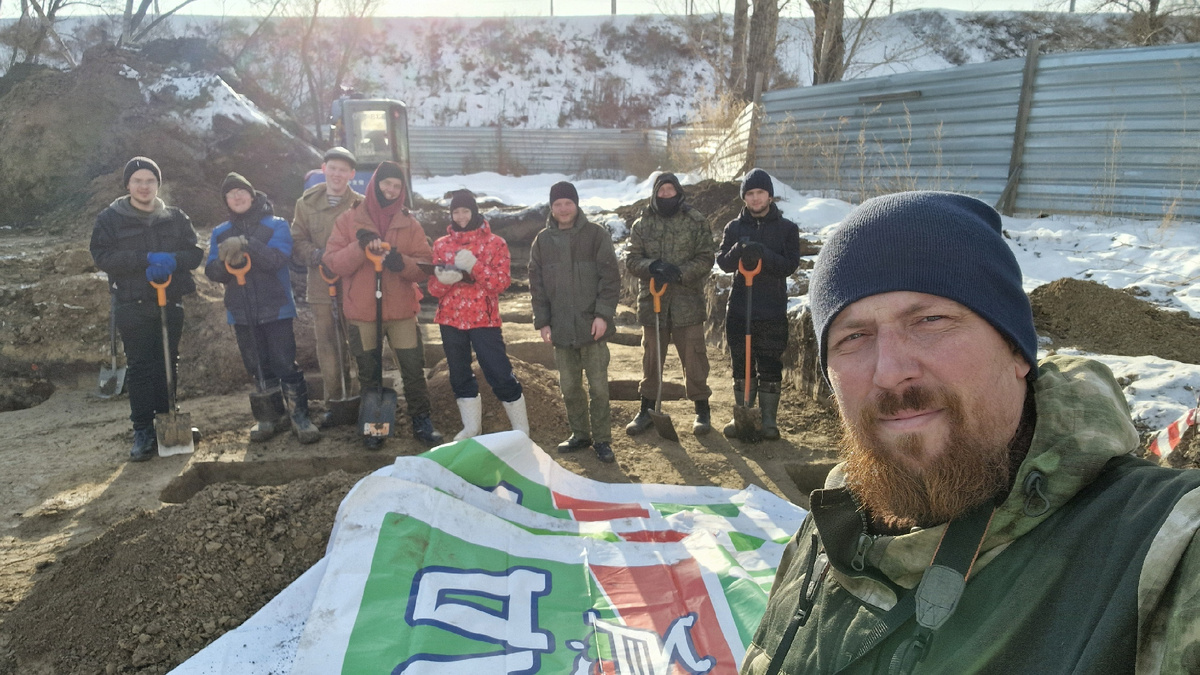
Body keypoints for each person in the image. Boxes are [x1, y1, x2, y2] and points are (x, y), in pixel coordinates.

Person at [739, 191, 1200, 675]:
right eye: (853, 337)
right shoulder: (830, 526)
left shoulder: (1165, 549)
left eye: (930, 320)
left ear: (1016, 350)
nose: (890, 372)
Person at [89, 156, 204, 462]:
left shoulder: (175, 217)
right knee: (141, 366)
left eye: (150, 181)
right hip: (132, 303)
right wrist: (145, 259)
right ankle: (142, 430)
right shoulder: (110, 219)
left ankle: (168, 419)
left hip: (170, 301)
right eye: (137, 181)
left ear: (158, 184)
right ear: (128, 185)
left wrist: (174, 260)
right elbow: (102, 257)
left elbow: (194, 253)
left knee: (168, 362)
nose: (144, 186)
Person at [322, 161, 443, 449]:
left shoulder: (409, 223)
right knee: (369, 371)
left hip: (401, 311)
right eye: (386, 183)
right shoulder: (349, 220)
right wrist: (359, 247)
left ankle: (421, 420)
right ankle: (375, 426)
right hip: (362, 312)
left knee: (412, 369)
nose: (391, 189)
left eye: (397, 186)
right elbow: (333, 262)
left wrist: (402, 263)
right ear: (375, 184)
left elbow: (425, 265)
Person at [205, 173, 320, 445]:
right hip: (241, 310)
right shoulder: (220, 232)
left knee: (284, 363)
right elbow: (212, 271)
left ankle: (299, 416)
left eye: (241, 191)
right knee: (257, 365)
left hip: (276, 307)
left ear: (252, 195)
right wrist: (226, 263)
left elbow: (277, 260)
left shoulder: (276, 225)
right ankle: (270, 417)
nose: (237, 197)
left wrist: (247, 244)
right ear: (226, 201)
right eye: (231, 194)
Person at [529, 181, 621, 463]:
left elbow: (610, 278)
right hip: (561, 328)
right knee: (569, 387)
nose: (563, 209)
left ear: (576, 204)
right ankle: (580, 434)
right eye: (557, 204)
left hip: (592, 326)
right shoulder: (542, 241)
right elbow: (537, 286)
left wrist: (603, 315)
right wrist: (543, 322)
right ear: (551, 207)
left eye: (568, 203)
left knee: (598, 387)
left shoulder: (596, 235)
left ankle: (602, 439)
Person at [428, 189, 529, 440]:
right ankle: (472, 428)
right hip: (450, 319)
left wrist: (475, 266)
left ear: (474, 212)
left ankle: (521, 430)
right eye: (456, 211)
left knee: (498, 371)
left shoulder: (495, 243)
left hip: (484, 319)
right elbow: (433, 290)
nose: (461, 216)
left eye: (466, 211)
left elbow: (501, 283)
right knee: (459, 373)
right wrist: (444, 281)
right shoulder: (441, 245)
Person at [624, 172, 717, 436]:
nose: (666, 194)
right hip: (653, 302)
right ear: (655, 194)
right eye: (661, 190)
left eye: (670, 190)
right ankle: (646, 409)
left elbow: (706, 257)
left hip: (687, 302)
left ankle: (702, 410)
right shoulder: (643, 224)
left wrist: (680, 273)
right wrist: (652, 266)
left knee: (694, 358)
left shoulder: (695, 221)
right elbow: (631, 259)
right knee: (651, 359)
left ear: (678, 192)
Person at [716, 168, 801, 441]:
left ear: (769, 196)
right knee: (741, 363)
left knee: (770, 364)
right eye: (750, 193)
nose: (755, 198)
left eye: (760, 192)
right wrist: (739, 250)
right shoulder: (734, 228)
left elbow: (789, 265)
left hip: (771, 309)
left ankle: (768, 420)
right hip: (740, 309)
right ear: (744, 197)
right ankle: (742, 412)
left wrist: (764, 253)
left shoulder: (787, 229)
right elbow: (723, 263)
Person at [291, 147, 365, 426]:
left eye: (343, 170)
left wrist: (346, 259)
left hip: (355, 283)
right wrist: (317, 256)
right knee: (328, 345)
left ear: (351, 174)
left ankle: (363, 400)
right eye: (332, 168)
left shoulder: (361, 204)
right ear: (324, 169)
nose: (337, 174)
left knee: (359, 343)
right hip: (321, 283)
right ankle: (334, 402)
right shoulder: (306, 203)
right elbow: (297, 239)